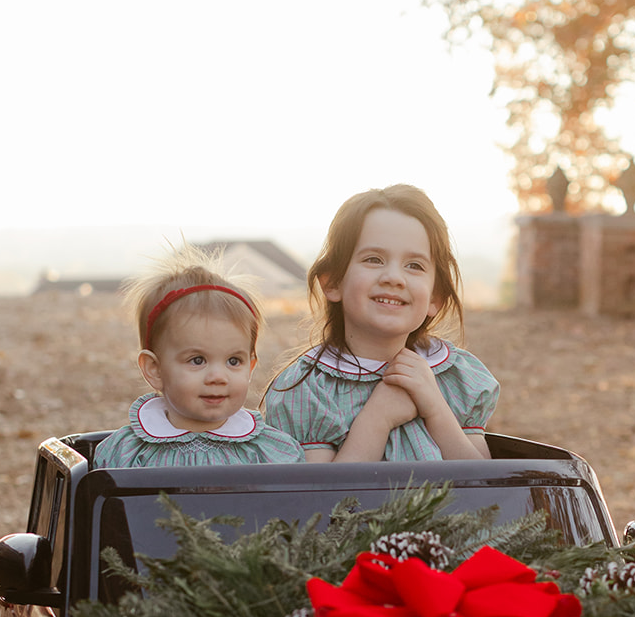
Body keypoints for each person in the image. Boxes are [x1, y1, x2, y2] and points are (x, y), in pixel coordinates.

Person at [264, 185, 498, 461]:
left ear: (435, 297)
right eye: (373, 259)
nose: (394, 277)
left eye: (414, 265)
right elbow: (324, 500)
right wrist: (377, 419)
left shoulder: (453, 376)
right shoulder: (309, 391)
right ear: (333, 282)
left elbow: (484, 486)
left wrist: (435, 408)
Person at [93, 245, 305, 468]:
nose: (217, 377)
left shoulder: (269, 453)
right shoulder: (128, 455)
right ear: (155, 369)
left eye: (234, 361)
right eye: (197, 360)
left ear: (250, 368)